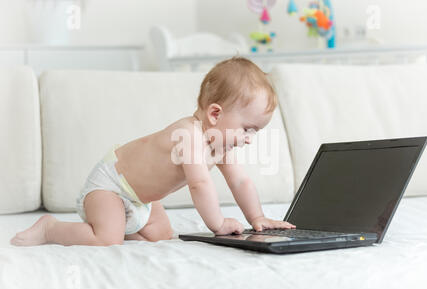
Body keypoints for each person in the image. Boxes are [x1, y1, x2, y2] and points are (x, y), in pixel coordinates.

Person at [10, 56, 295, 247]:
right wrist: (217, 223)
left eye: (256, 132)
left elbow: (240, 181)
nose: (249, 139)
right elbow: (199, 184)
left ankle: (124, 223)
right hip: (111, 187)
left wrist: (256, 217)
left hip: (140, 198)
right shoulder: (189, 135)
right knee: (107, 240)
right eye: (248, 129)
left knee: (162, 235)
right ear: (215, 114)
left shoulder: (218, 145)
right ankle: (51, 229)